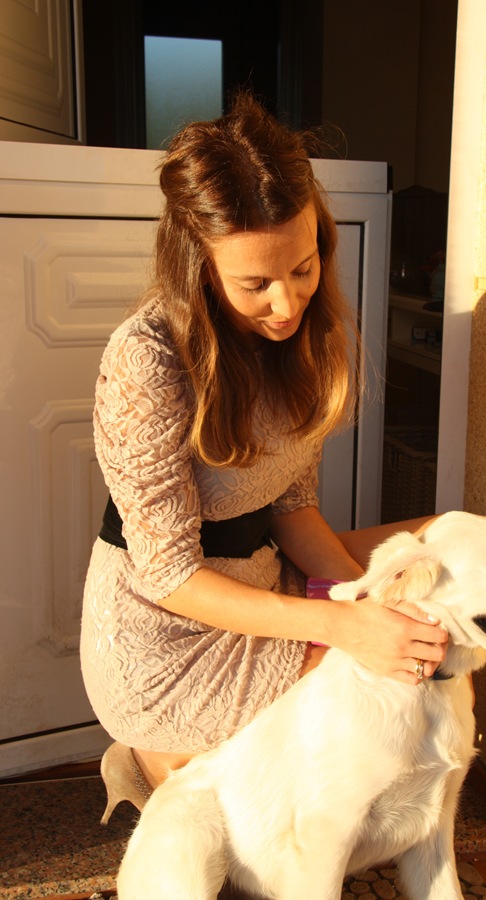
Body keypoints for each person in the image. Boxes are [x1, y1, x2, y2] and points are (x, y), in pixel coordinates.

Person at [80, 93, 448, 821]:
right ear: (199, 268)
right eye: (255, 285)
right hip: (167, 642)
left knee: (448, 551)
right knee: (363, 673)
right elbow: (169, 576)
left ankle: (190, 772)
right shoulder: (146, 359)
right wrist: (342, 626)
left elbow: (292, 508)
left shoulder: (302, 338)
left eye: (303, 269)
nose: (287, 304)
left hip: (261, 584)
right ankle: (156, 756)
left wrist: (362, 599)